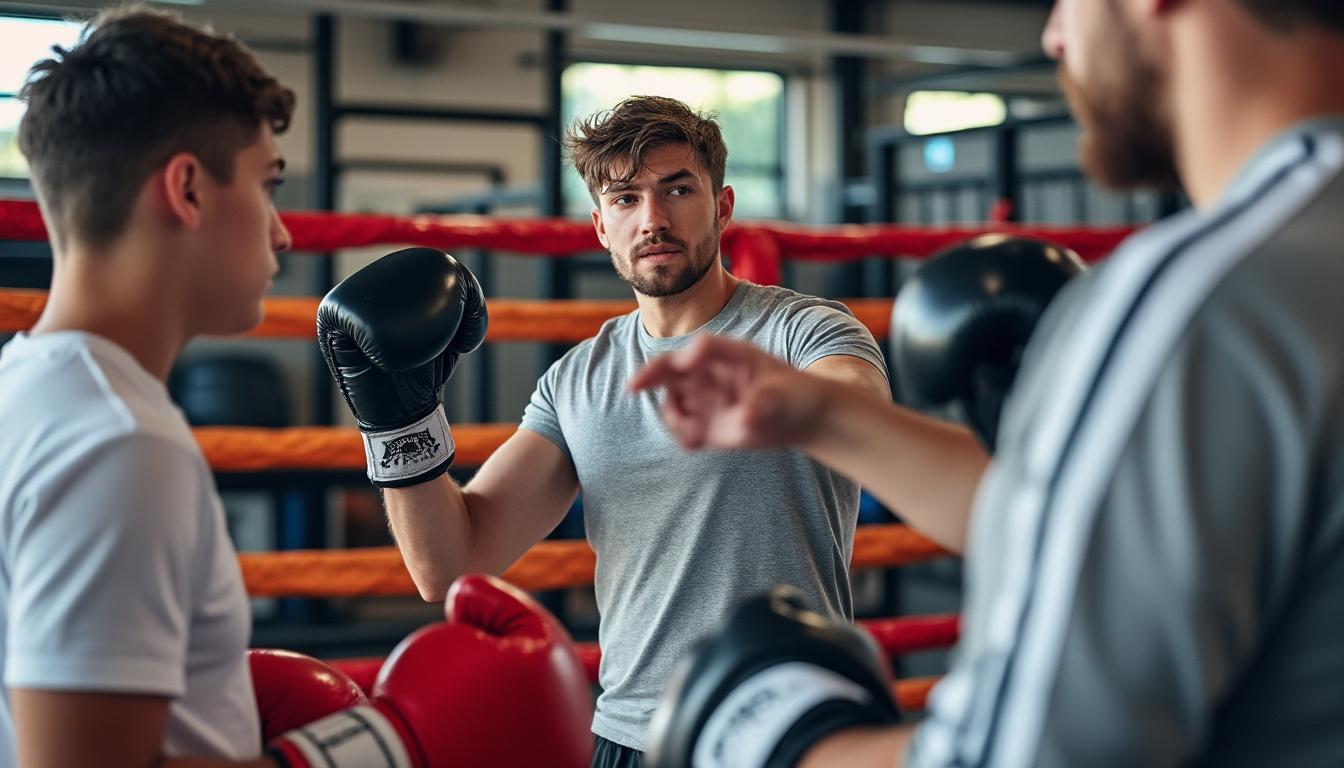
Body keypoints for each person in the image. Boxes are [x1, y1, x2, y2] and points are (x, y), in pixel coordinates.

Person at [631, 0, 1344, 766]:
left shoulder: (1194, 304)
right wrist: (817, 415)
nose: (1053, 35)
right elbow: (1074, 526)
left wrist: (775, 739)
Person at [0, 8, 592, 767]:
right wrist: (381, 748)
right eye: (266, 185)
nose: (281, 232)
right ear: (188, 190)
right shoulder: (119, 445)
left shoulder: (30, 390)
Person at [316, 95, 891, 766]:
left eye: (678, 190)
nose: (653, 219)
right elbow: (450, 565)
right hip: (630, 734)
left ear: (722, 206)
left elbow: (861, 405)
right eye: (625, 199)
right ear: (599, 225)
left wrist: (769, 396)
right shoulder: (577, 379)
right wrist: (399, 424)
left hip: (787, 728)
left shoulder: (803, 330)